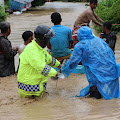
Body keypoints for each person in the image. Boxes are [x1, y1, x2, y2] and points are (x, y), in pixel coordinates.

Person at [61, 26, 120, 100]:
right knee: (111, 98)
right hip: (113, 70)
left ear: (79, 35)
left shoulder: (80, 45)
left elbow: (73, 62)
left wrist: (63, 70)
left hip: (98, 74)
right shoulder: (99, 40)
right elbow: (110, 54)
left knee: (97, 99)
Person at [17, 25, 61, 98]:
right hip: (29, 87)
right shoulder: (32, 50)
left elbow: (48, 58)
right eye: (48, 39)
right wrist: (55, 73)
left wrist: (58, 65)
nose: (49, 41)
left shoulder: (40, 47)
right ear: (43, 39)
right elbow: (41, 66)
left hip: (38, 84)